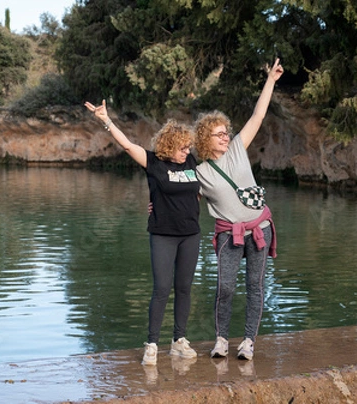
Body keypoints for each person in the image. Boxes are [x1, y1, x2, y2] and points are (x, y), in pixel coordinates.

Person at [84, 100, 201, 366]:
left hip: (191, 234)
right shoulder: (153, 163)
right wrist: (106, 120)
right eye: (182, 147)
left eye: (188, 147)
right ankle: (152, 344)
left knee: (184, 288)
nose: (187, 151)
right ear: (169, 146)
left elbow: (198, 191)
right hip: (162, 233)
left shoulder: (191, 161)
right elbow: (126, 144)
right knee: (161, 288)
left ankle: (179, 341)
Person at [194, 58, 284, 361]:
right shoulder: (201, 172)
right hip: (227, 235)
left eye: (226, 132)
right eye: (219, 134)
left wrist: (270, 80)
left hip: (259, 228)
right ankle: (221, 340)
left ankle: (248, 342)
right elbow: (183, 197)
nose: (225, 136)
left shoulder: (237, 149)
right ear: (206, 139)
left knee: (255, 287)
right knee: (226, 287)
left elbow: (258, 115)